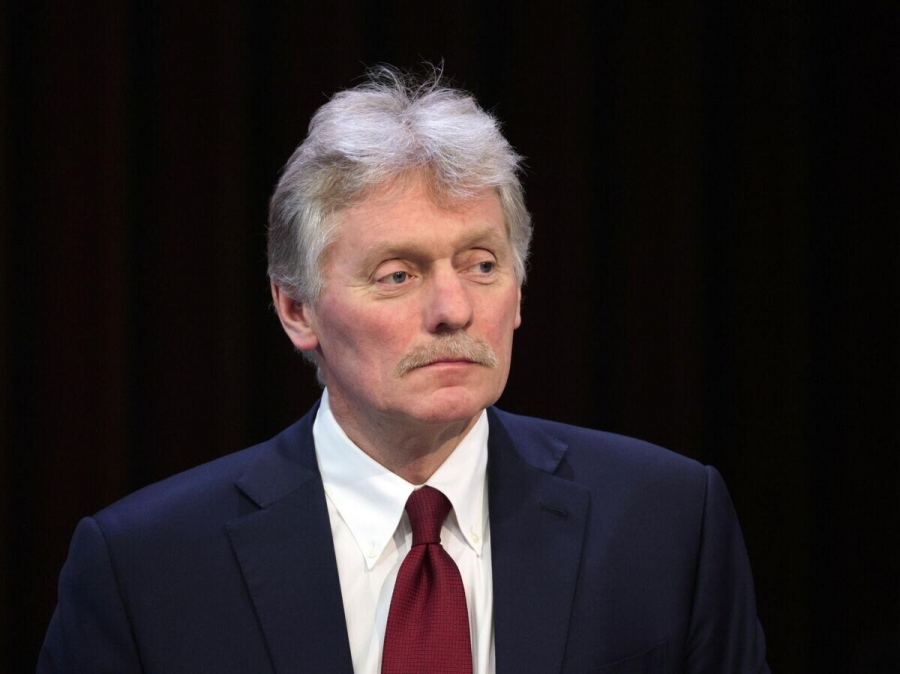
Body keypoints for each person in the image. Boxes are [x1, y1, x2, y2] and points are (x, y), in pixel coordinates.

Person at [39, 66, 769, 673]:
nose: (454, 309)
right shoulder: (145, 567)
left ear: (519, 291)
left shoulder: (670, 521)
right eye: (398, 274)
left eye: (481, 264)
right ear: (296, 310)